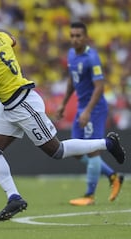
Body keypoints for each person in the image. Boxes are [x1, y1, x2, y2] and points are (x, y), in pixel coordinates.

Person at [0, 8, 126, 221]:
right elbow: (13, 39)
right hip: (11, 106)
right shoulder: (0, 37)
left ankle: (107, 144)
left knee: (57, 151)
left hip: (24, 104)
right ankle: (14, 198)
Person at [56, 22, 123, 206]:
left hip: (94, 109)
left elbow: (99, 87)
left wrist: (87, 111)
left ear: (86, 37)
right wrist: (63, 103)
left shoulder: (92, 58)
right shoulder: (71, 55)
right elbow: (72, 79)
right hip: (81, 108)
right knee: (76, 152)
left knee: (92, 151)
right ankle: (113, 176)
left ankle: (89, 196)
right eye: (72, 35)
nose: (75, 39)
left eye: (79, 35)